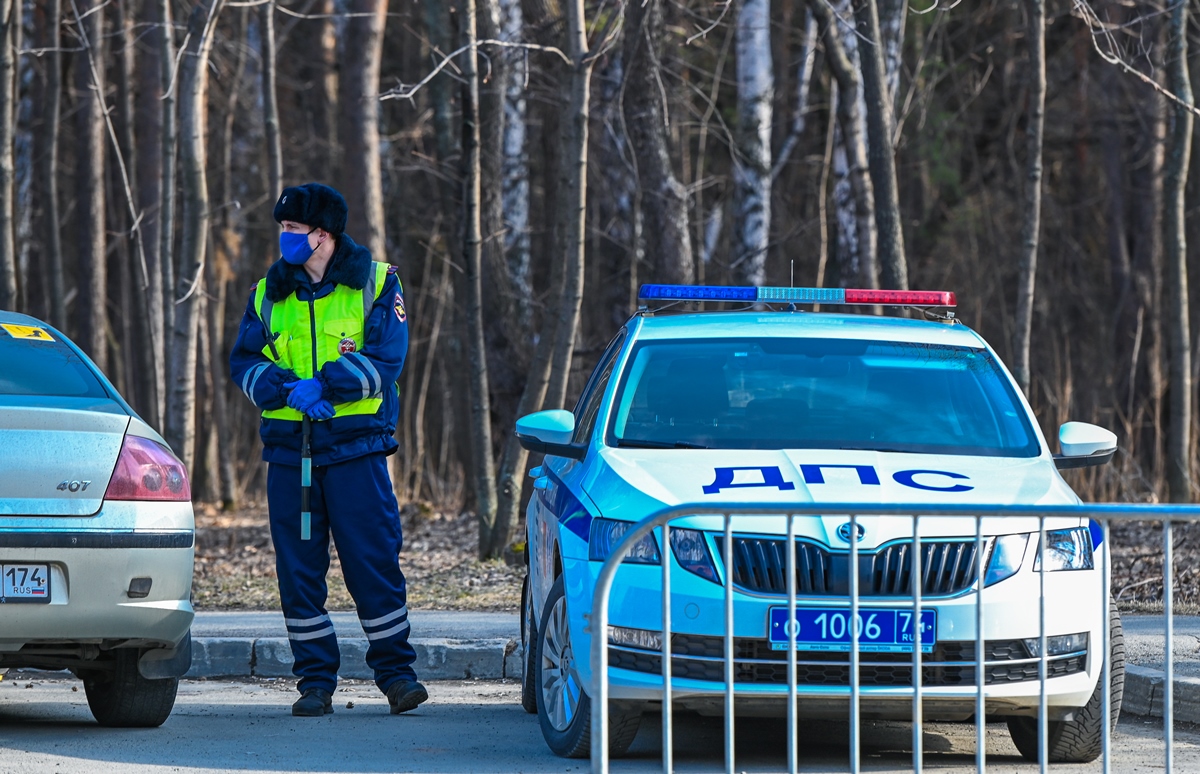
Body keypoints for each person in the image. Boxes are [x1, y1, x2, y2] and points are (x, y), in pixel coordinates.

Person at [229, 183, 427, 717]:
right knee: (298, 571)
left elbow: (387, 360)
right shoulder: (268, 294)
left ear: (324, 235)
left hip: (356, 451)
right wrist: (288, 388)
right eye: (283, 229)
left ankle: (397, 676)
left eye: (294, 230)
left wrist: (327, 385)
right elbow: (244, 363)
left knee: (373, 562)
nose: (285, 239)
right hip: (291, 455)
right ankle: (315, 682)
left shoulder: (378, 282)